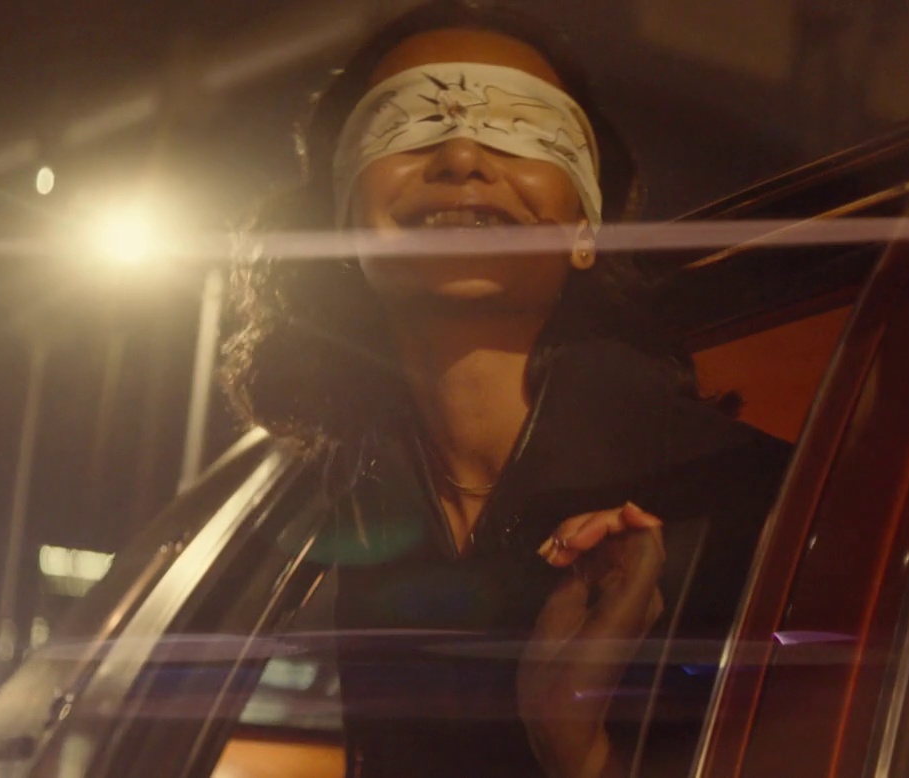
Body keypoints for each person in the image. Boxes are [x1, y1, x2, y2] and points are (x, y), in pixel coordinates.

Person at [221, 2, 792, 776]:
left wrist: (584, 754)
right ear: (342, 217)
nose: (462, 155)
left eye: (521, 126)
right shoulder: (334, 511)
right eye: (410, 123)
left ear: (586, 223)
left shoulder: (753, 505)